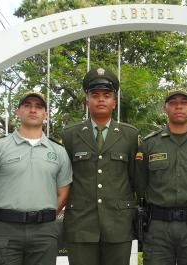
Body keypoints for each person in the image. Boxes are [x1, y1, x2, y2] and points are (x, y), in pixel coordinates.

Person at [0, 91, 72, 265]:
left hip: (44, 231)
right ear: (18, 111)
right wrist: (5, 215)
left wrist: (42, 217)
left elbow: (63, 194)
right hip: (5, 229)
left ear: (46, 114)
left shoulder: (58, 151)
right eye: (27, 106)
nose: (33, 110)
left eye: (38, 107)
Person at [62, 67, 138, 265]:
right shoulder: (70, 135)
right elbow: (65, 178)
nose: (101, 99)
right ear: (87, 101)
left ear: (114, 102)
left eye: (107, 95)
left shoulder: (130, 135)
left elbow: (135, 179)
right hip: (81, 224)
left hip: (118, 223)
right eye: (95, 95)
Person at [135, 89, 187, 265]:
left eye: (184, 103)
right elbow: (140, 184)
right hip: (158, 228)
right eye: (173, 103)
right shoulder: (149, 144)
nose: (179, 106)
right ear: (165, 108)